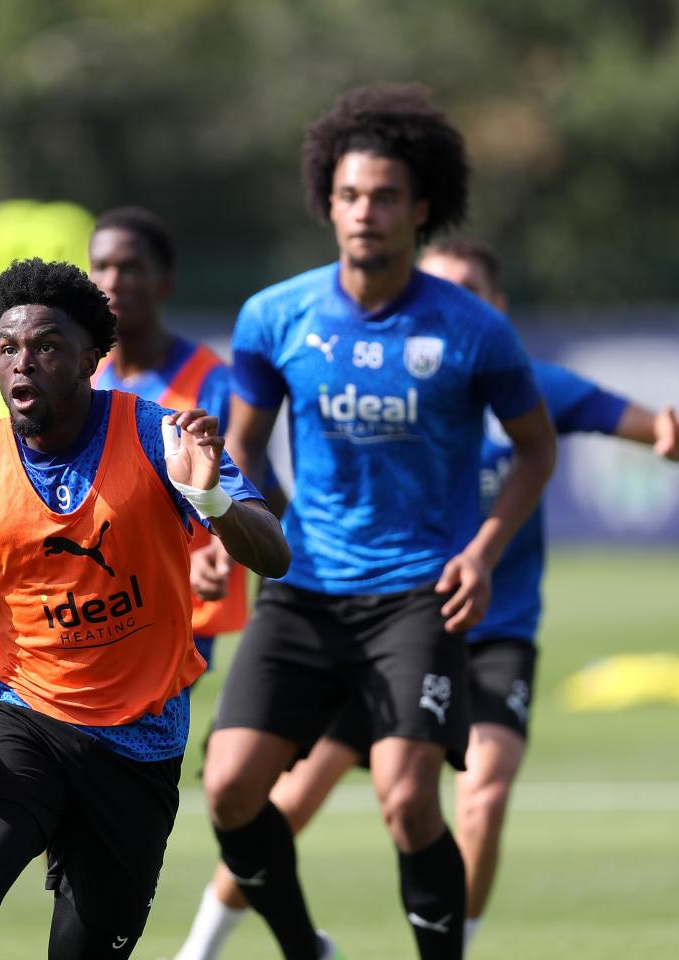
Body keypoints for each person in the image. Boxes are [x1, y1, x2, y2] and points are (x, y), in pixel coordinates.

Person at [175, 237, 679, 959]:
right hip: (389, 615)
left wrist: (671, 437)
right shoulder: (383, 379)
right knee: (280, 796)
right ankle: (206, 948)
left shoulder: (533, 388)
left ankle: (455, 945)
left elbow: (639, 423)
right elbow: (258, 448)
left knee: (477, 792)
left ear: (493, 309)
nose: (445, 304)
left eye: (466, 290)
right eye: (438, 287)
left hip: (493, 631)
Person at [201, 84, 559, 960]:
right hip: (307, 589)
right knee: (230, 792)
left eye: (387, 196)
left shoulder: (473, 331)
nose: (367, 212)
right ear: (329, 203)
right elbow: (240, 450)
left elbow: (538, 451)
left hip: (415, 596)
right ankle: (303, 949)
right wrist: (228, 535)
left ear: (421, 208)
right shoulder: (274, 316)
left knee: (406, 800)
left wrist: (481, 551)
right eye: (352, 195)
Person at [0, 257, 290, 959]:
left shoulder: (165, 441)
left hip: (139, 744)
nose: (22, 365)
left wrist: (211, 501)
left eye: (45, 347)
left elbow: (275, 554)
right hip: (18, 724)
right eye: (8, 348)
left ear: (91, 358)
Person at [88, 205, 263, 669]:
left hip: (182, 610)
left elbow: (253, 482)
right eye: (101, 266)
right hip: (100, 608)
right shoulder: (86, 380)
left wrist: (226, 554)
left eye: (131, 268)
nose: (113, 280)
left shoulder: (213, 384)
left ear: (164, 282)